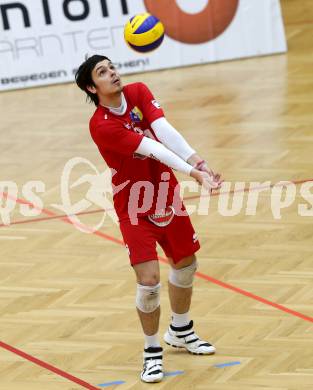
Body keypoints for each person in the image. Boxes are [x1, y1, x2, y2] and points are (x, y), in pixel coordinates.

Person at [75, 55, 222, 383]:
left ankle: (181, 331)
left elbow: (163, 130)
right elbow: (152, 148)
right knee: (150, 282)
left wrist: (197, 160)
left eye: (112, 67)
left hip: (166, 196)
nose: (112, 73)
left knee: (185, 264)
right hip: (133, 204)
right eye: (102, 72)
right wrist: (192, 172)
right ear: (91, 87)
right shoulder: (101, 125)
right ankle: (152, 352)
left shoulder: (139, 92)